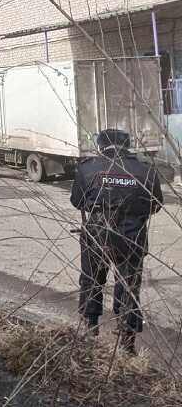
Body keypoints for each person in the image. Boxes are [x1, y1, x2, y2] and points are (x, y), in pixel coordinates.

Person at [70, 129, 163, 354]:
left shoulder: (88, 167)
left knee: (92, 281)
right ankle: (127, 342)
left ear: (101, 146)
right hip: (131, 235)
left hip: (97, 233)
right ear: (128, 145)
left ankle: (90, 330)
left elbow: (77, 201)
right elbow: (156, 204)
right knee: (128, 286)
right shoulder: (146, 170)